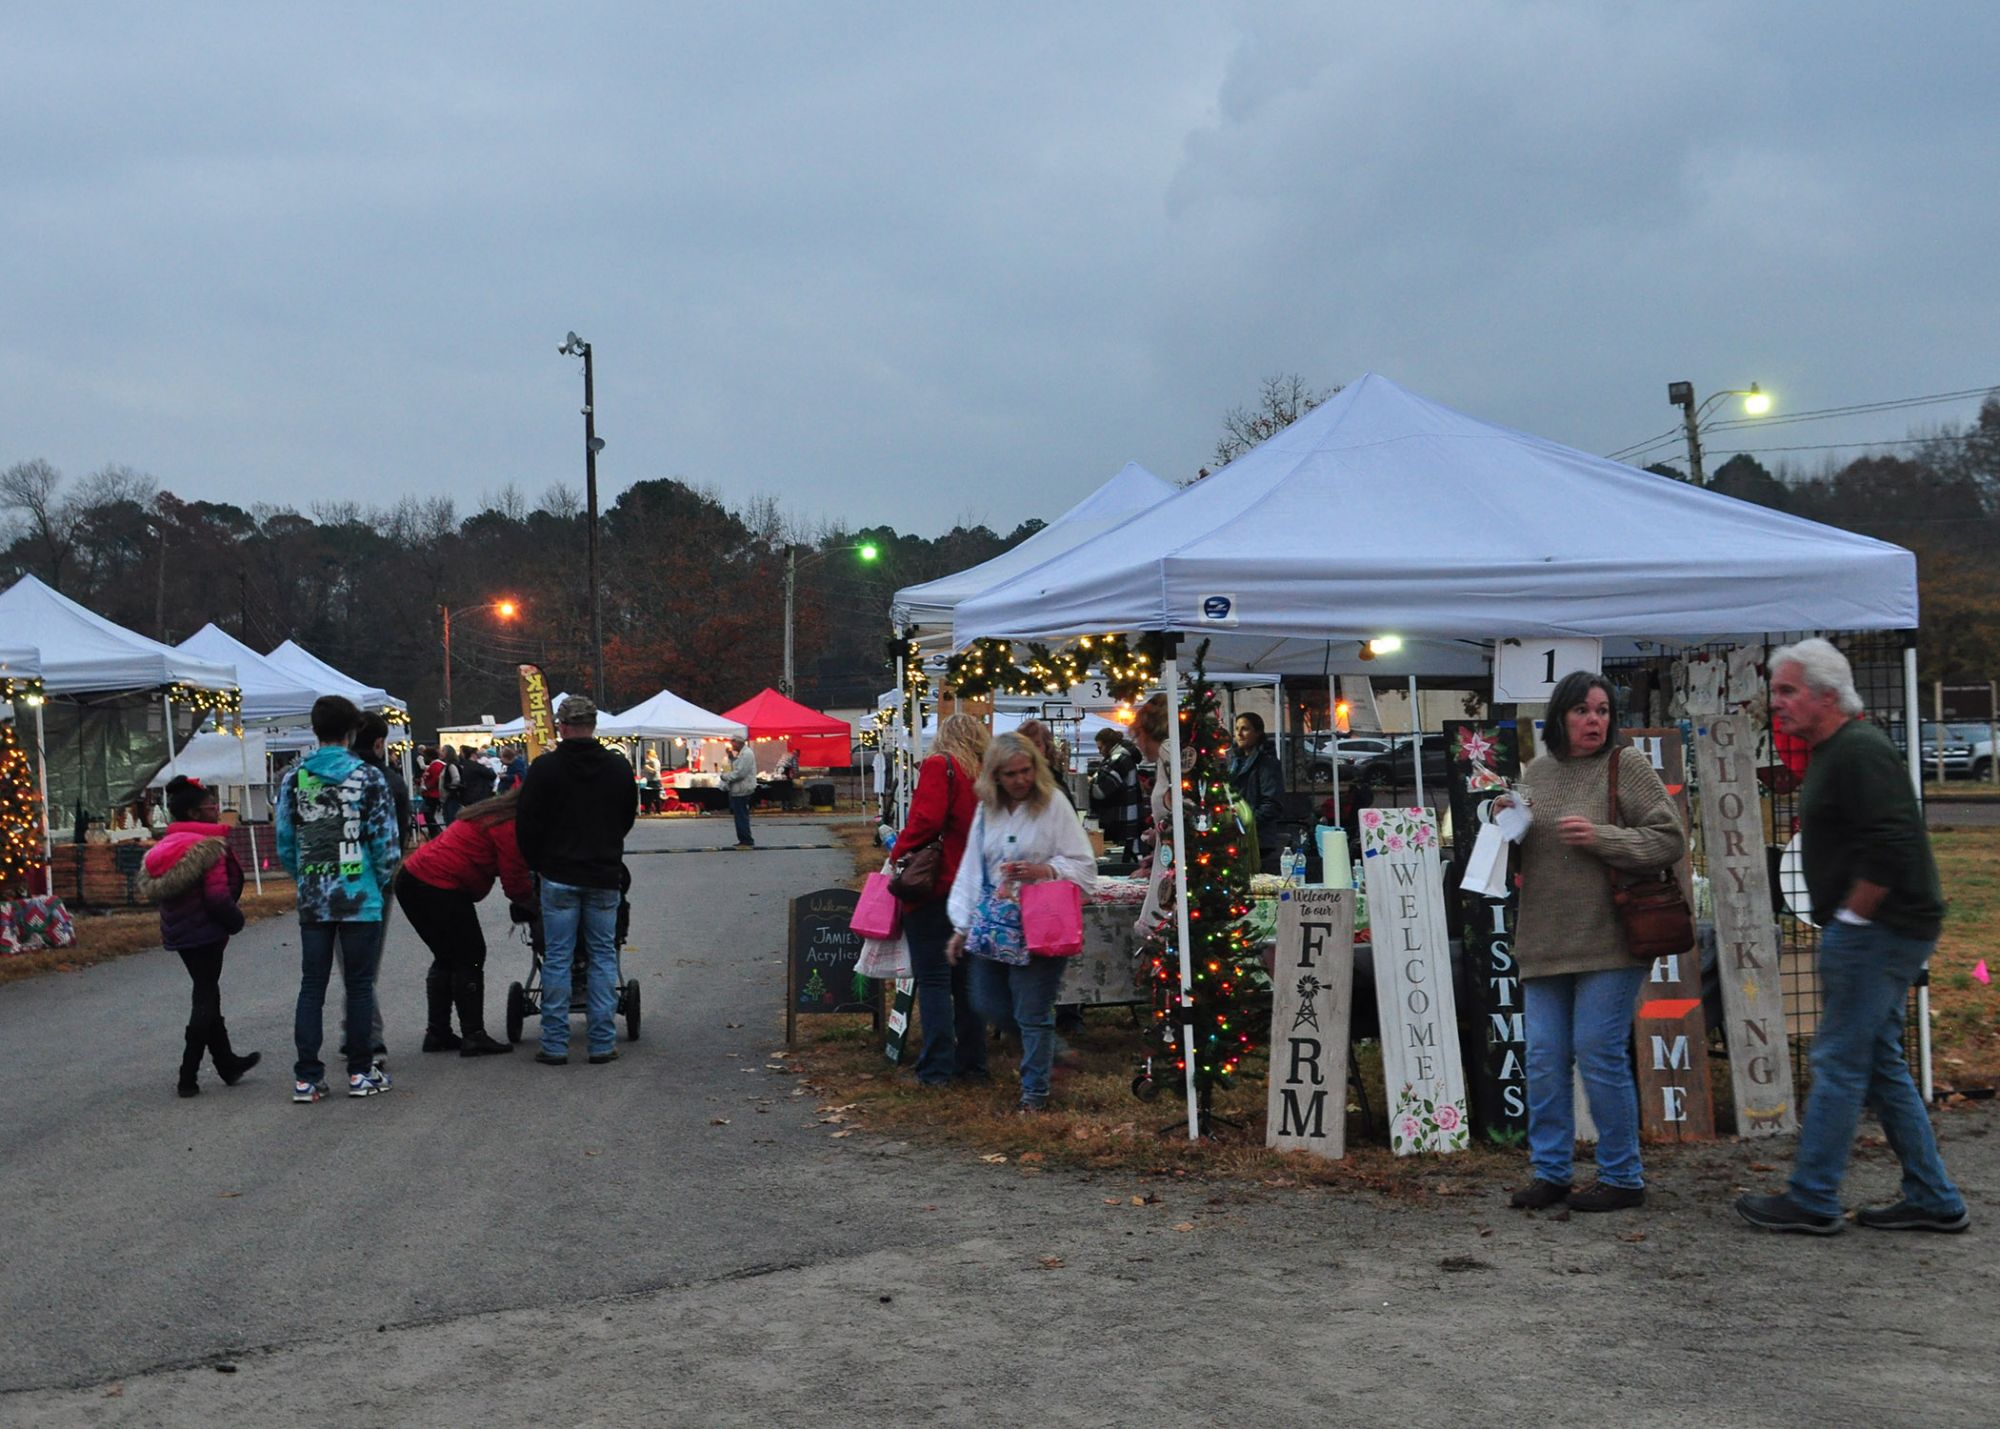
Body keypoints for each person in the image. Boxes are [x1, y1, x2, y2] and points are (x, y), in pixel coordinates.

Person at [1736, 639, 1967, 1235]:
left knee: (1838, 1060)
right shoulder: (1835, 751)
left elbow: (1892, 839)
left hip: (1881, 931)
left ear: (1827, 695)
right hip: (1884, 928)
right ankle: (1934, 1198)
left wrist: (1855, 919)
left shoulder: (1859, 750)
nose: (1776, 701)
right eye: (1775, 689)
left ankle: (1812, 1198)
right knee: (1881, 1064)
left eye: (1788, 690)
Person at [1501, 672, 1684, 1213]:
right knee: (1542, 1059)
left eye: (1603, 711)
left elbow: (1669, 839)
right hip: (1543, 939)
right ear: (1560, 716)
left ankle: (1623, 1176)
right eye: (1583, 710)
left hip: (1610, 940)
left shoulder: (1624, 765)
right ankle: (1552, 1171)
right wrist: (1502, 825)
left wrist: (1601, 837)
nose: (1594, 720)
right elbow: (1525, 855)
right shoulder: (1536, 771)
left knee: (1598, 1053)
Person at [945, 732, 1097, 1112]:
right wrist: (961, 925)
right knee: (986, 1001)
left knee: (1031, 1011)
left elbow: (1084, 867)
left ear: (1036, 767)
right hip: (996, 922)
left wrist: (1044, 869)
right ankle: (1055, 1052)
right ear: (995, 776)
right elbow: (972, 866)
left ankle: (1034, 1093)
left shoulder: (1053, 804)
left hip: (1042, 921)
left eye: (1025, 771)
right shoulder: (987, 810)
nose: (1019, 780)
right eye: (1010, 774)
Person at [276, 694, 402, 1102]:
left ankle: (307, 1077)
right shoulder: (369, 777)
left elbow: (285, 841)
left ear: (315, 730)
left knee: (312, 985)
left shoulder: (294, 778)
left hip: (314, 895)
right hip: (358, 894)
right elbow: (386, 842)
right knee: (359, 984)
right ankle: (360, 1072)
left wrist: (306, 877)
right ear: (353, 732)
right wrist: (377, 881)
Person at [516, 695, 637, 1065]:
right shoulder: (617, 768)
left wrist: (538, 863)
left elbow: (527, 824)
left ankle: (554, 1043)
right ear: (594, 725)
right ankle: (601, 1042)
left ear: (562, 727)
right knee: (602, 956)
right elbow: (627, 816)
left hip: (558, 874)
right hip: (602, 873)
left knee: (556, 958)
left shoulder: (544, 769)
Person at [138, 776, 258, 1097]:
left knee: (207, 993)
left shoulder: (167, 846)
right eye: (210, 806)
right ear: (194, 812)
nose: (216, 810)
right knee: (205, 998)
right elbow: (217, 897)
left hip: (181, 932)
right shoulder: (206, 847)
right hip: (206, 932)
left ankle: (227, 1063)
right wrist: (236, 921)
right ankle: (187, 1075)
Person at [893, 713, 991, 1088]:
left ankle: (936, 1069)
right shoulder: (984, 774)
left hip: (937, 886)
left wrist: (898, 852)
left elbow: (925, 821)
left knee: (933, 979)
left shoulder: (941, 766)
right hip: (974, 888)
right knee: (967, 982)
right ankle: (973, 1064)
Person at [394, 787, 529, 1057]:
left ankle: (438, 1032)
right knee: (471, 955)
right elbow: (515, 880)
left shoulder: (489, 812)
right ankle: (473, 1034)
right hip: (439, 884)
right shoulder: (509, 824)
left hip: (414, 879)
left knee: (446, 956)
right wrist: (532, 905)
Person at [1227, 711, 1286, 874]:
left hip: (1258, 840)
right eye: (1237, 729)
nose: (1239, 734)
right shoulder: (1234, 762)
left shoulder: (1267, 763)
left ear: (1258, 733)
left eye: (1245, 729)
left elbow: (1272, 803)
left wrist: (1247, 823)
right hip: (1236, 837)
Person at [1089, 725, 1144, 859]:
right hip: (1129, 820)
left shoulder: (1118, 760)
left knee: (1123, 861)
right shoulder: (1124, 758)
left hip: (1121, 822)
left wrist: (1089, 782)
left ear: (1108, 745)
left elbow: (1100, 791)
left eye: (1100, 747)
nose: (1099, 752)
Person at [721, 736, 759, 849]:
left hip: (742, 789)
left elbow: (740, 773)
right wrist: (731, 758)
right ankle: (743, 838)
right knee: (739, 815)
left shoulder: (747, 754)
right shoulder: (742, 754)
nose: (732, 745)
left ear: (738, 742)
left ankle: (746, 839)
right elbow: (737, 767)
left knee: (741, 815)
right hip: (738, 789)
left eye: (733, 743)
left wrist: (725, 777)